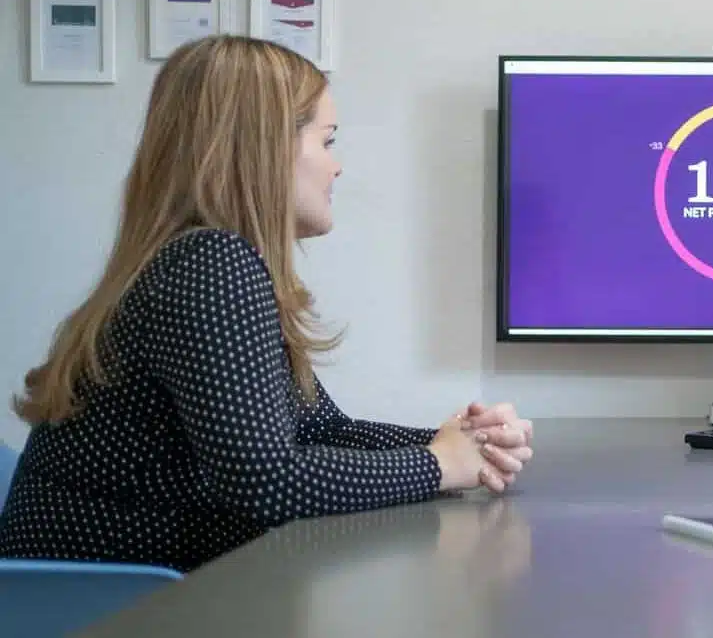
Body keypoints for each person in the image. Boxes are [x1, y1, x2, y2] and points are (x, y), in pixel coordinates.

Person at [0, 35, 533, 572]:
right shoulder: (208, 265)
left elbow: (323, 431)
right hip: (98, 607)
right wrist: (436, 464)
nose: (338, 167)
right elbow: (267, 482)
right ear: (266, 148)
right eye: (327, 141)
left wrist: (466, 445)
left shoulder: (201, 260)